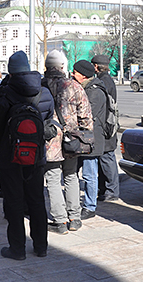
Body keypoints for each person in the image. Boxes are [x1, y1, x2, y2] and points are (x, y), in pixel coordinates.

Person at [0, 51, 55, 260]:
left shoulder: (4, 92)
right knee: (37, 200)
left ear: (11, 72)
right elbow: (49, 117)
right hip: (36, 155)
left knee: (13, 201)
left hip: (9, 155)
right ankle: (41, 246)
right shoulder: (44, 91)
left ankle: (17, 249)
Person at [42, 50, 93, 233]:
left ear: (46, 66)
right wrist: (83, 133)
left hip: (48, 140)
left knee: (53, 178)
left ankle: (60, 221)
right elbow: (86, 117)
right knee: (71, 176)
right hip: (72, 139)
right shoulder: (73, 86)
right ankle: (75, 218)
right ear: (63, 67)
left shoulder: (40, 86)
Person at [71, 59, 107, 221]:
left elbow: (87, 116)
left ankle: (90, 206)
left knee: (89, 174)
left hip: (91, 140)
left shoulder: (94, 91)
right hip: (84, 138)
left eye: (75, 72)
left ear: (84, 75)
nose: (72, 74)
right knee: (77, 172)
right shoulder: (86, 88)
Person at [92, 54, 120, 202]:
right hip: (108, 123)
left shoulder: (103, 81)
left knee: (107, 157)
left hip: (106, 124)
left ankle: (112, 190)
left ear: (96, 66)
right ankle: (105, 189)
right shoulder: (106, 79)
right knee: (105, 156)